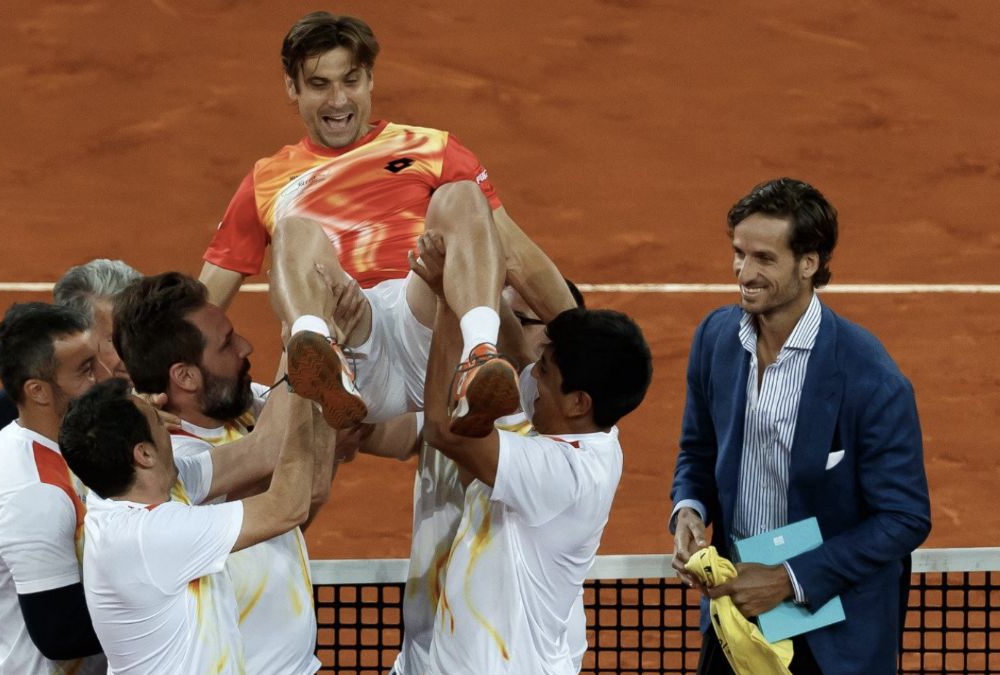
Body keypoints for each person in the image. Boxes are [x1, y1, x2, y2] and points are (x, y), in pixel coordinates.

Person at [198, 11, 577, 435]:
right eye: (319, 85)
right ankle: (320, 354)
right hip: (352, 334)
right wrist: (153, 378)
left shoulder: (431, 147)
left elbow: (515, 254)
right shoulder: (266, 180)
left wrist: (584, 338)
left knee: (462, 195)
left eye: (351, 80)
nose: (338, 100)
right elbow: (205, 302)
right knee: (293, 230)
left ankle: (478, 355)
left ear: (371, 79)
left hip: (428, 324)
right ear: (293, 88)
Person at [669, 178, 931, 674]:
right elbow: (698, 450)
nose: (744, 272)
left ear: (808, 263)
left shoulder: (870, 378)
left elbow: (904, 517)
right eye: (738, 253)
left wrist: (788, 578)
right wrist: (688, 509)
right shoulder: (716, 339)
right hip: (737, 611)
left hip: (831, 631)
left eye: (764, 258)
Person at [411, 236, 653, 674]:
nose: (530, 374)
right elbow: (522, 353)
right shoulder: (586, 427)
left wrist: (450, 301)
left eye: (544, 371)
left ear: (579, 401)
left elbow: (442, 429)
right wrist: (476, 275)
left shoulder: (561, 472)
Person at [111, 271, 325, 675]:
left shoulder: (237, 407)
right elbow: (268, 455)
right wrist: (305, 331)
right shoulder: (172, 468)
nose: (245, 346)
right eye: (226, 344)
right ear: (185, 377)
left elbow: (313, 472)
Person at [58, 375, 331, 674]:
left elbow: (262, 451)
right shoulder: (149, 535)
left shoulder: (134, 488)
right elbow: (286, 507)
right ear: (144, 454)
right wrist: (303, 388)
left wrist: (296, 346)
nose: (170, 428)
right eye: (159, 423)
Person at [0, 258, 141, 581]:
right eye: (117, 339)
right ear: (79, 335)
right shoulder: (11, 419)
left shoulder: (144, 397)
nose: (136, 352)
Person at [0, 303, 105, 674]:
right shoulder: (31, 492)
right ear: (39, 391)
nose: (100, 379)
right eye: (85, 371)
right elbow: (60, 634)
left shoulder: (60, 445)